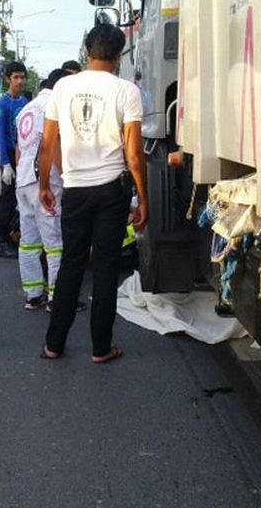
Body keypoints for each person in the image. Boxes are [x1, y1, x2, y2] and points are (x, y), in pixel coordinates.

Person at [38, 24, 148, 364]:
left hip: (74, 190)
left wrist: (45, 184)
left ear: (87, 51)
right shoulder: (125, 90)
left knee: (71, 264)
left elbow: (47, 145)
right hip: (111, 192)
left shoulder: (62, 87)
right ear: (118, 56)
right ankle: (101, 348)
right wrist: (143, 198)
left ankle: (53, 344)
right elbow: (133, 155)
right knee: (104, 268)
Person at [14, 68, 86, 312]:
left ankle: (33, 295)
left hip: (23, 180)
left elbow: (19, 149)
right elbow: (52, 145)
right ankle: (58, 297)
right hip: (45, 180)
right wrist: (66, 178)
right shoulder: (53, 107)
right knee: (55, 242)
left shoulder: (26, 108)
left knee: (29, 242)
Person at [0, 61, 29, 259]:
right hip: (9, 158)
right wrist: (6, 164)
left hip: (22, 157)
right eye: (16, 77)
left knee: (21, 199)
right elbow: (0, 135)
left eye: (22, 77)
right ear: (8, 79)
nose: (20, 81)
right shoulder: (2, 104)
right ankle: (2, 241)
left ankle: (15, 235)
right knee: (7, 200)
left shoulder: (24, 103)